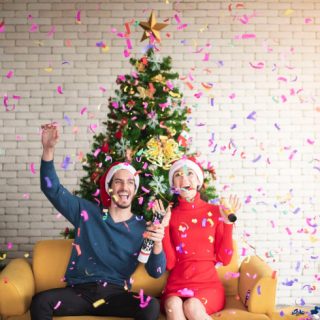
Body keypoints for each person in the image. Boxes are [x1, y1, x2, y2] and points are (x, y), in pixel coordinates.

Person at [31, 123, 167, 320]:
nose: (124, 187)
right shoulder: (86, 212)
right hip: (79, 292)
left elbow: (155, 272)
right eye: (118, 181)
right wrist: (48, 150)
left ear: (135, 191)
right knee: (40, 302)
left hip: (115, 294)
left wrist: (158, 243)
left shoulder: (142, 227)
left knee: (151, 306)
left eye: (130, 182)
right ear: (109, 188)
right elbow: (51, 189)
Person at [161, 157, 241, 320]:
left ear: (198, 180)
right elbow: (169, 263)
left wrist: (227, 224)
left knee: (192, 306)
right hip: (176, 286)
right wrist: (164, 227)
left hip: (207, 287)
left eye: (190, 173)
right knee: (173, 305)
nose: (184, 179)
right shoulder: (170, 216)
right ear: (174, 185)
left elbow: (224, 259)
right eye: (178, 175)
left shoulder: (216, 211)